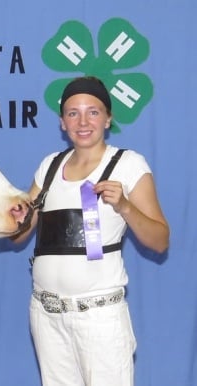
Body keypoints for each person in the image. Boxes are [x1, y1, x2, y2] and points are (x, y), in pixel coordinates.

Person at [11, 76, 169, 386]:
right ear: (62, 122)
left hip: (99, 318)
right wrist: (10, 218)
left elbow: (160, 241)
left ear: (108, 118)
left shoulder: (128, 165)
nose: (83, 121)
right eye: (73, 113)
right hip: (46, 314)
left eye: (93, 112)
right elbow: (19, 235)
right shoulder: (50, 166)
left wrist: (124, 205)